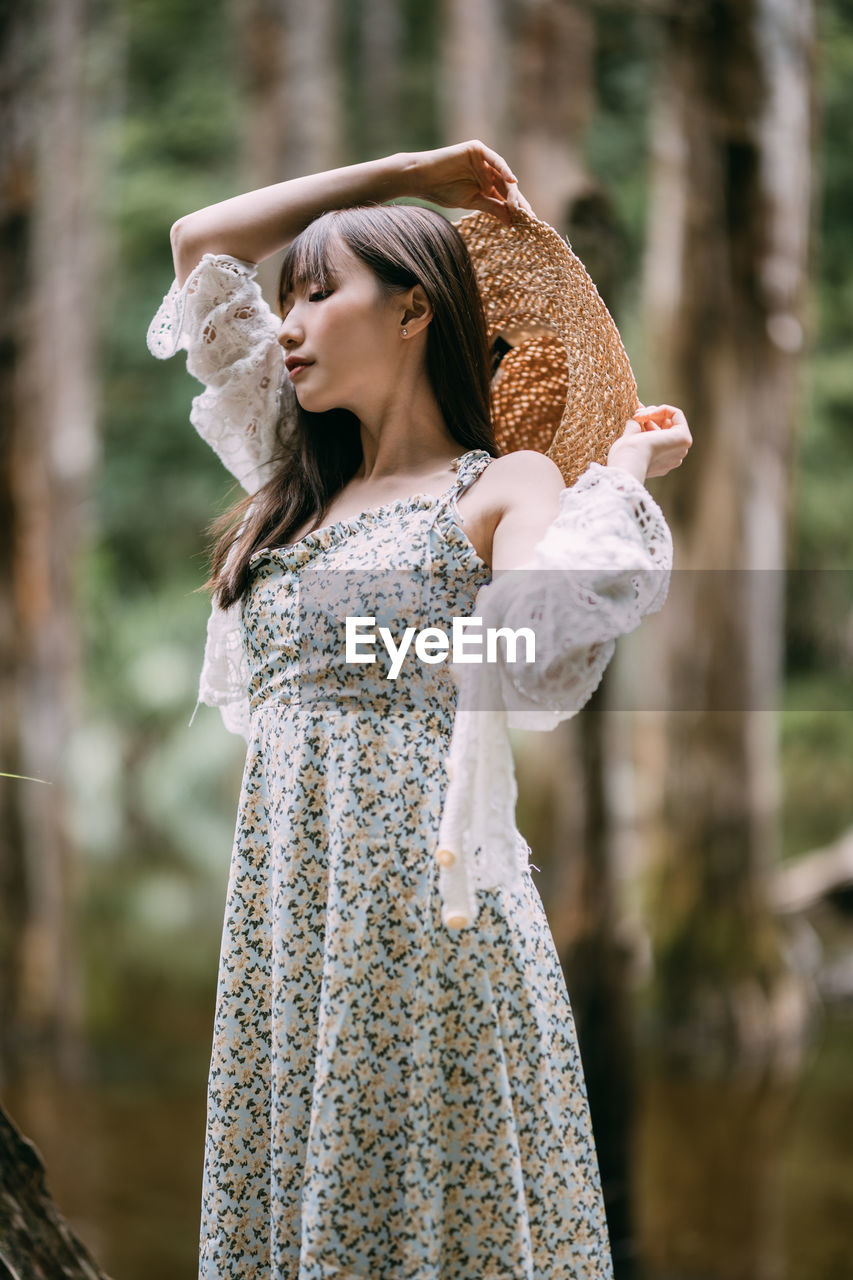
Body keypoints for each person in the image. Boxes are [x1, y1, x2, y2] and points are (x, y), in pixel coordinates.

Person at [149, 139, 691, 1279]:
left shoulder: (502, 484)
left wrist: (623, 482)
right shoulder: (292, 476)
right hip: (289, 915)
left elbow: (529, 641)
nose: (287, 325)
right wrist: (400, 173)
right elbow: (199, 245)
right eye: (284, 300)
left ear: (412, 314)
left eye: (319, 294)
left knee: (433, 1211)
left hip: (427, 903)